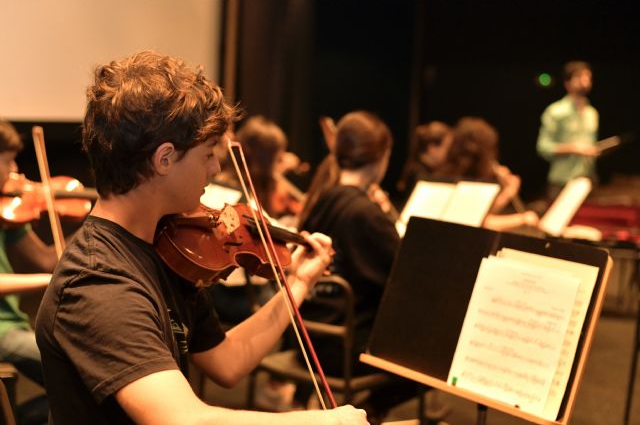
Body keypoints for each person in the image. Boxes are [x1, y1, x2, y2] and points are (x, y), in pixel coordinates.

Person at [34, 51, 367, 425]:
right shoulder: (98, 282)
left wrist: (298, 282)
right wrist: (327, 422)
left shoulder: (167, 247)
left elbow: (226, 361)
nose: (217, 167)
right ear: (164, 159)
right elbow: (181, 420)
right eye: (208, 154)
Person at [297, 111, 417, 423]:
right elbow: (404, 278)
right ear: (381, 158)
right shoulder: (366, 214)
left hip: (309, 339)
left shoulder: (321, 199)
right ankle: (374, 412)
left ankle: (371, 411)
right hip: (345, 349)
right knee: (437, 350)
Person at [0, 120, 59, 425]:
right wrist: (47, 282)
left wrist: (96, 221)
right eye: (8, 159)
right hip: (1, 331)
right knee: (73, 365)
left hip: (14, 325)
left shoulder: (7, 210)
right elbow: (47, 274)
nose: (16, 171)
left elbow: (47, 260)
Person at [436, 117, 539, 231]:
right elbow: (480, 222)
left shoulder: (446, 171)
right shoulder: (465, 180)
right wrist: (522, 219)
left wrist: (508, 192)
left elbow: (481, 211)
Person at [536, 61, 599, 197]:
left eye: (588, 77)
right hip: (562, 181)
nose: (584, 81)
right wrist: (574, 148)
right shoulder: (555, 111)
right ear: (567, 83)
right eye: (579, 76)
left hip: (587, 180)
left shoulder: (592, 113)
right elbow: (543, 147)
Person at [397, 121, 453, 194]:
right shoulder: (420, 176)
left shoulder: (416, 168)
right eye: (447, 148)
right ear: (432, 149)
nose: (449, 153)